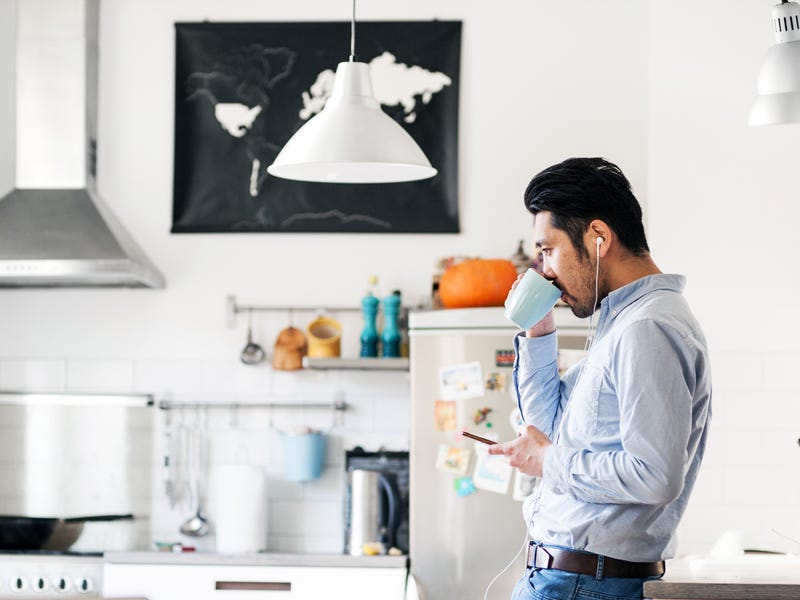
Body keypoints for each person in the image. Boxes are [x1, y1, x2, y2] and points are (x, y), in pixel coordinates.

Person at [487, 157, 712, 600]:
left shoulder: (647, 328)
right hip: (569, 581)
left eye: (547, 250)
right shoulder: (620, 325)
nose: (543, 270)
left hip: (582, 584)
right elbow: (546, 428)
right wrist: (538, 329)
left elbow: (654, 475)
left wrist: (548, 462)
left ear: (598, 237)